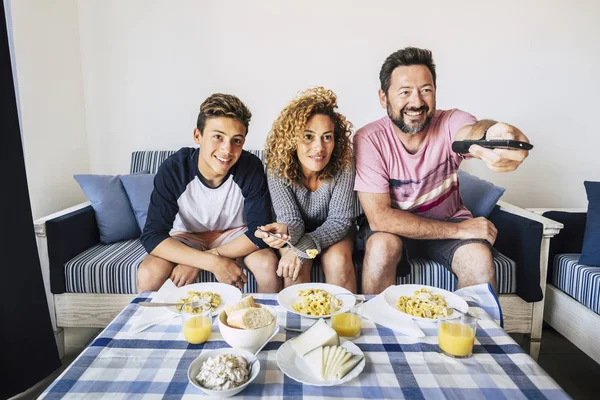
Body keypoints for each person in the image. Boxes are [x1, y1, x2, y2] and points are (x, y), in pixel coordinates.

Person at [354, 47, 530, 294]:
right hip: (394, 231)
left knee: (478, 256)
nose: (416, 102)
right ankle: (374, 328)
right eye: (405, 92)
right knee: (381, 247)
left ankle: (475, 331)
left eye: (425, 90)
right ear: (384, 97)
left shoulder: (451, 122)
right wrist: (459, 230)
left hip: (448, 222)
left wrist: (493, 136)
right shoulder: (369, 139)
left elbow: (470, 134)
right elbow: (379, 217)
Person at [137, 93, 281, 293]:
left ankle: (264, 321)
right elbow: (153, 236)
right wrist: (212, 263)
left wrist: (205, 259)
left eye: (236, 140)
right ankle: (149, 323)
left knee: (267, 264)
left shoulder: (251, 167)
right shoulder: (174, 169)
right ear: (198, 135)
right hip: (187, 236)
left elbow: (259, 232)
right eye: (218, 137)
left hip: (233, 235)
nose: (227, 150)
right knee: (148, 272)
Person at [254, 87, 357, 292]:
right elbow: (291, 219)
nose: (319, 147)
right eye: (308, 136)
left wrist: (304, 248)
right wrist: (286, 233)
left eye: (327, 137)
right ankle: (298, 324)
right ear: (292, 140)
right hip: (295, 234)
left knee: (337, 261)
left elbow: (340, 221)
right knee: (294, 268)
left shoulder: (344, 164)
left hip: (335, 232)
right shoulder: (277, 168)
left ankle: (346, 322)